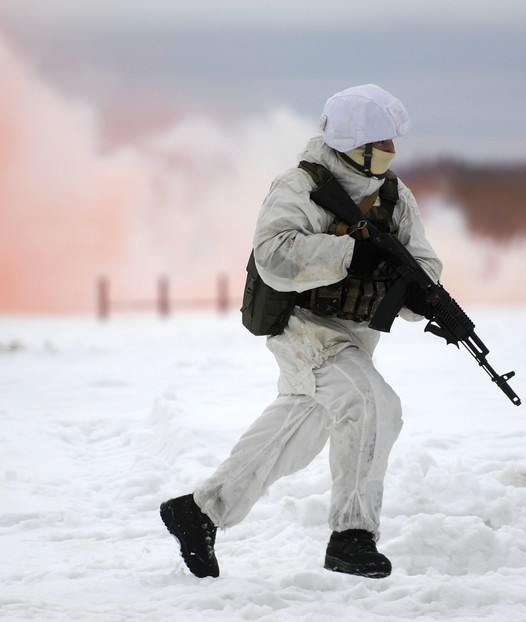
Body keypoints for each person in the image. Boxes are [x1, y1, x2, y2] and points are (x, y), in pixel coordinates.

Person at [160, 84, 442, 579]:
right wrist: (351, 255)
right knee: (374, 404)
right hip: (303, 328)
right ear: (357, 145)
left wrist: (422, 294)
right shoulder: (300, 187)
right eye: (385, 143)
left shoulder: (394, 196)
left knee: (296, 433)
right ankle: (352, 536)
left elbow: (423, 261)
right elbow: (274, 255)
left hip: (354, 335)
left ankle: (200, 511)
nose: (394, 152)